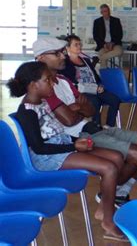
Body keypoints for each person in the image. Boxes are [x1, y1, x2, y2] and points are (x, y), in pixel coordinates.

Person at [7, 62, 127, 242]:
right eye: (47, 80)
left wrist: (76, 142)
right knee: (109, 168)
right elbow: (39, 148)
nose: (52, 83)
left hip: (61, 146)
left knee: (117, 157)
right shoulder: (27, 112)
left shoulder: (43, 102)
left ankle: (104, 207)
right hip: (47, 158)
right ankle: (108, 223)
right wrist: (74, 146)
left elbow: (56, 132)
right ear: (33, 85)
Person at [32, 37, 137, 207]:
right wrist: (78, 107)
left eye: (63, 51)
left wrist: (76, 108)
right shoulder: (43, 87)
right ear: (41, 58)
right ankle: (109, 193)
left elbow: (90, 110)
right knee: (136, 154)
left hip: (90, 126)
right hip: (77, 136)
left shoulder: (64, 81)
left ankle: (117, 192)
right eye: (57, 53)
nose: (63, 55)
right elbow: (67, 120)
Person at [59, 35, 121, 128]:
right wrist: (94, 89)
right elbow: (71, 83)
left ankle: (109, 126)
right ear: (68, 47)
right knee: (94, 101)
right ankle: (96, 126)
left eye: (80, 44)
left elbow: (95, 76)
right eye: (76, 45)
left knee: (114, 99)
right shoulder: (65, 63)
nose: (79, 46)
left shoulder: (86, 60)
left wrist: (100, 85)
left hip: (96, 89)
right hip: (81, 91)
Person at [92, 4, 123, 68]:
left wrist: (112, 43)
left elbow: (120, 34)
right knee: (101, 53)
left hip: (115, 44)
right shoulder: (97, 22)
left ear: (109, 11)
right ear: (101, 13)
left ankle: (99, 58)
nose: (106, 13)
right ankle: (104, 76)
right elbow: (95, 36)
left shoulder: (116, 20)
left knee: (119, 51)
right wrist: (104, 44)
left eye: (107, 11)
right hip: (103, 45)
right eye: (103, 11)